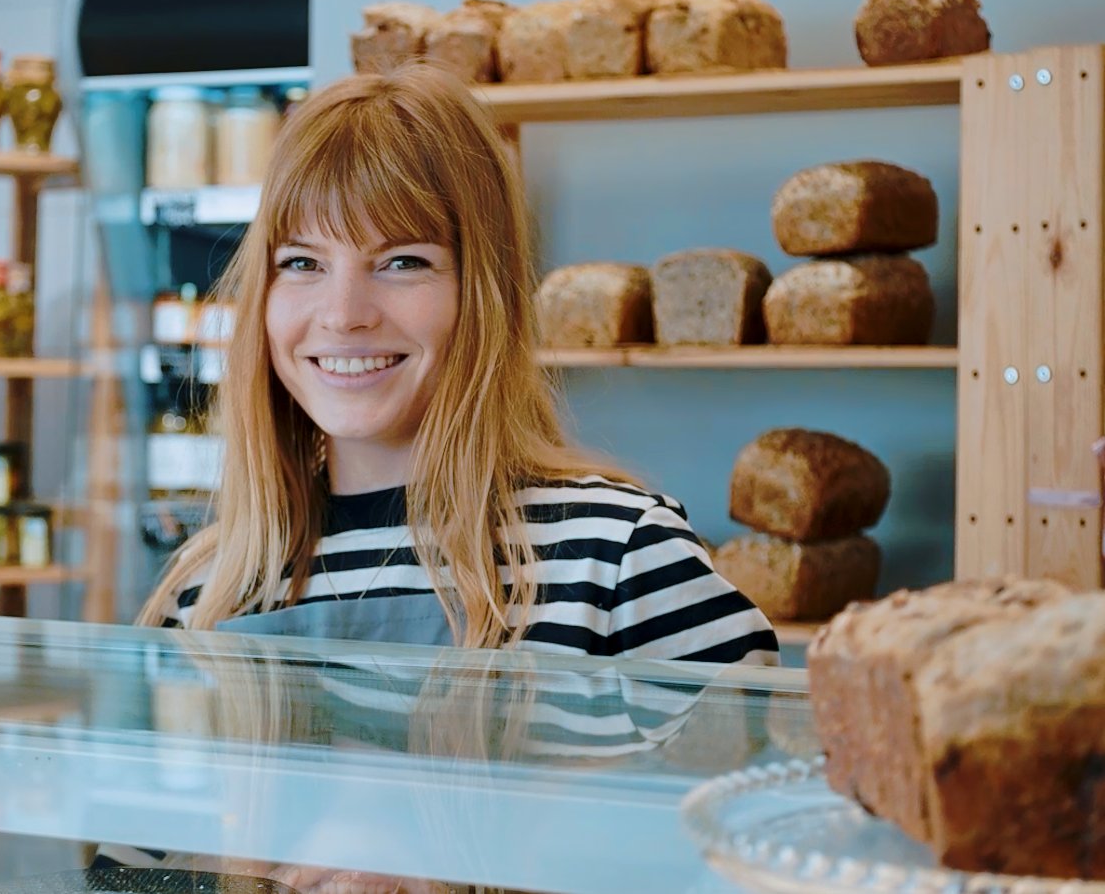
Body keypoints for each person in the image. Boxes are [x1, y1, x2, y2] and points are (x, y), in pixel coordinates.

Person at [135, 62, 778, 664]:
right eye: (302, 263)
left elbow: (750, 785)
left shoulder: (622, 559)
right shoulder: (205, 592)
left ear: (484, 293)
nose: (343, 313)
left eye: (402, 262)